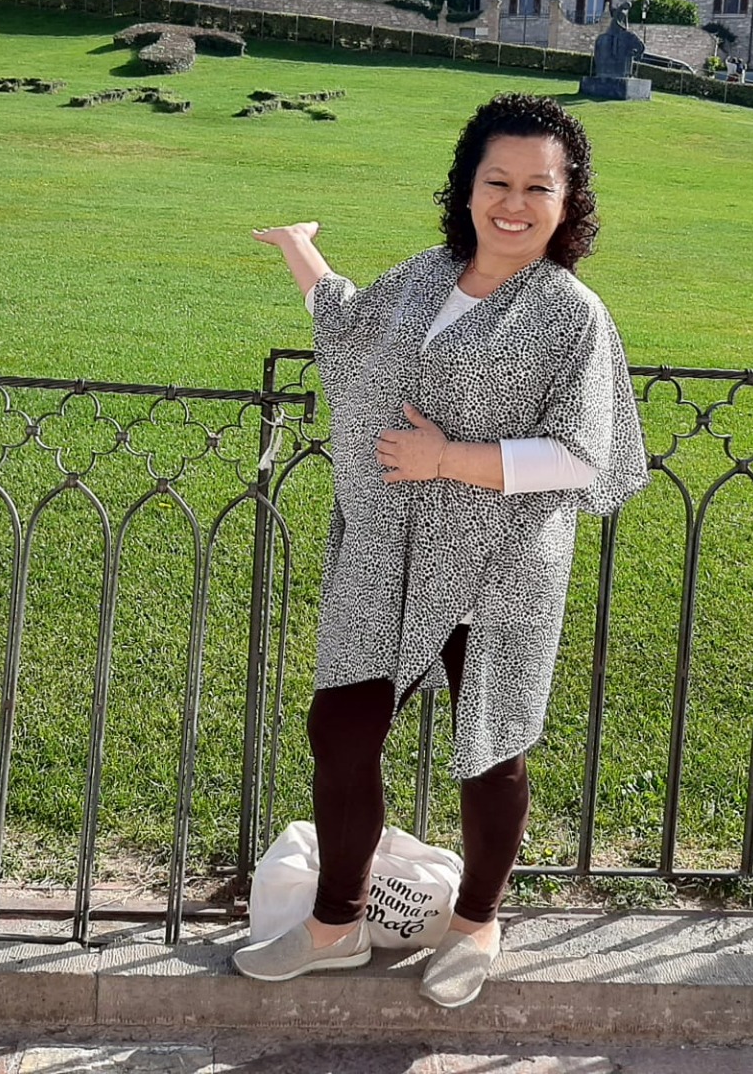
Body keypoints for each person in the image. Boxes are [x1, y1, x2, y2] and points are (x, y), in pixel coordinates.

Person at [238, 94, 648, 1008]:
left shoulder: (571, 315)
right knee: (342, 730)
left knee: (489, 746)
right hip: (385, 548)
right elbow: (350, 333)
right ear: (466, 188)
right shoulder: (427, 276)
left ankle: (476, 924)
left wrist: (447, 459)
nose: (515, 203)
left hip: (498, 563)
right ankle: (335, 926)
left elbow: (586, 455)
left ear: (569, 200)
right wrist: (300, 249)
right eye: (497, 181)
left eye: (538, 187)